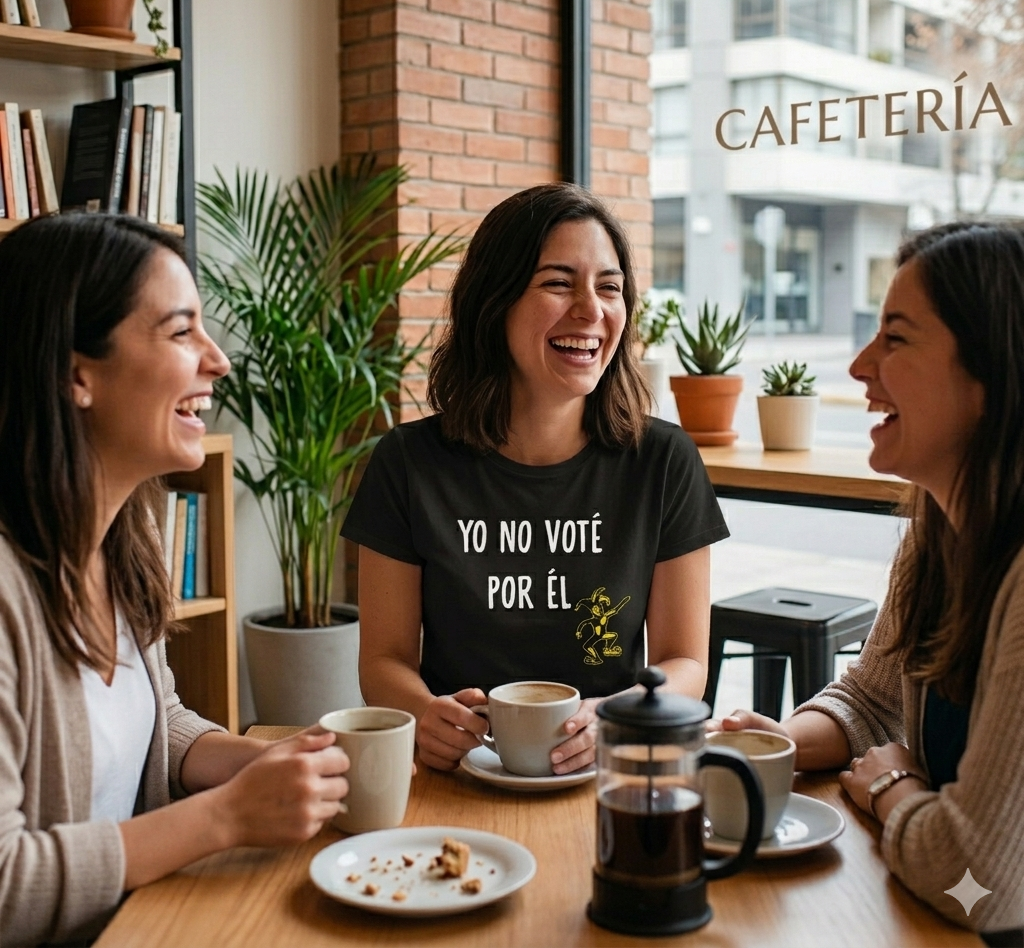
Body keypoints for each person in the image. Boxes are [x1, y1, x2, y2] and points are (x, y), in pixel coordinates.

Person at [0, 215, 350, 947]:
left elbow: (160, 720)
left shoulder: (128, 538)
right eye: (181, 331)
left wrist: (263, 762)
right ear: (75, 374)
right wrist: (224, 817)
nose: (218, 361)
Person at [344, 184, 729, 775]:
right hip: (461, 771)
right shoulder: (408, 462)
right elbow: (384, 659)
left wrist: (620, 715)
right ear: (493, 301)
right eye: (558, 282)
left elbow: (685, 664)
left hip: (610, 773)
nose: (592, 310)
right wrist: (423, 712)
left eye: (609, 287)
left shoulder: (663, 460)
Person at [712, 222, 1024, 942]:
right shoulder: (937, 538)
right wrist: (776, 745)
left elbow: (984, 887)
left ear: (990, 376)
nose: (858, 365)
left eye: (896, 338)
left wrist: (892, 789)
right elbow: (869, 701)